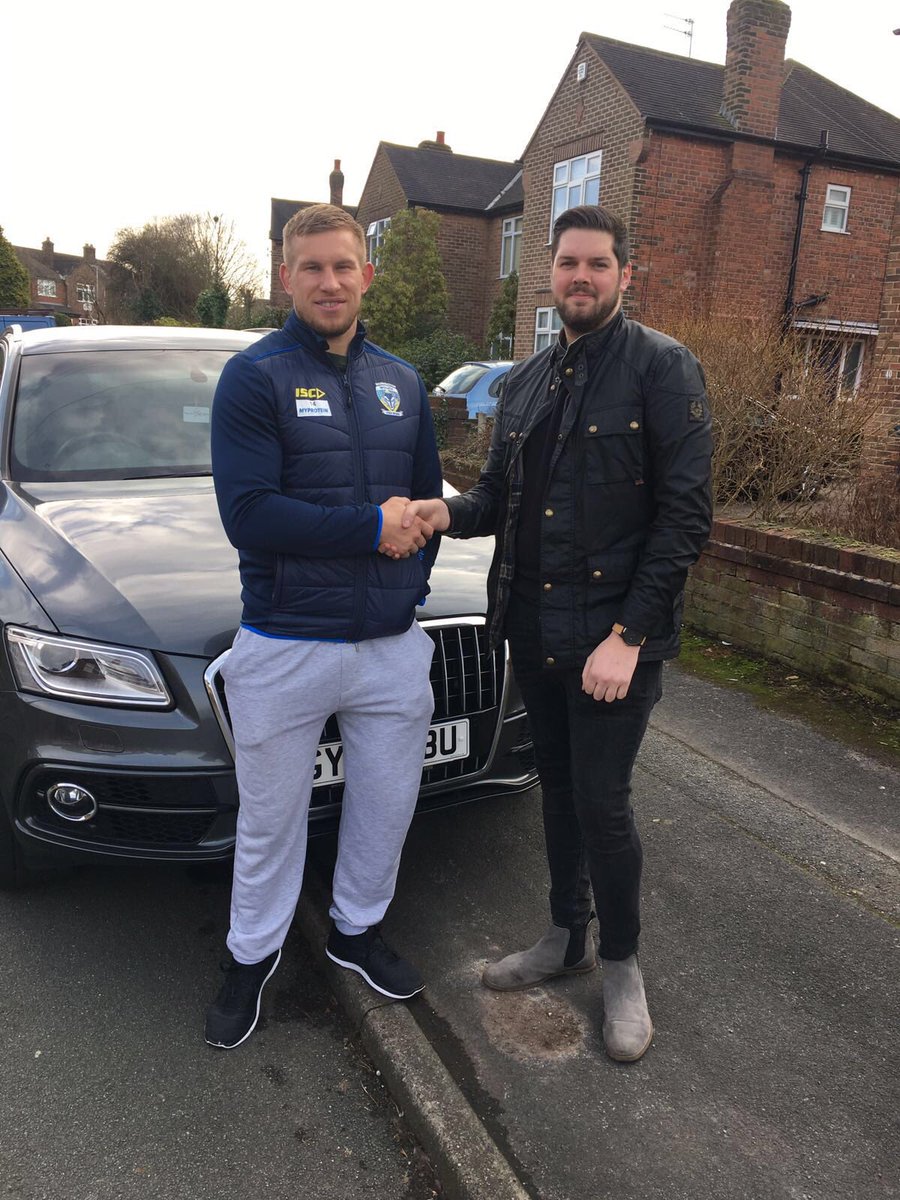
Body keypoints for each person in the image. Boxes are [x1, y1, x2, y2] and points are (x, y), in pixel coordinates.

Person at [396, 205, 713, 1062]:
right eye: (568, 263)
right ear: (551, 271)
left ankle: (621, 966)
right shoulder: (527, 380)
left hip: (611, 640)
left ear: (624, 274)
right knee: (561, 793)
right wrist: (443, 512)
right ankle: (565, 935)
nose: (581, 276)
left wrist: (631, 636)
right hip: (532, 626)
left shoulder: (662, 368)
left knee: (604, 805)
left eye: (597, 264)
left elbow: (684, 519)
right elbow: (498, 494)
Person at [206, 203, 441, 1050]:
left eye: (343, 266)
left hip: (388, 648)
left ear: (364, 273)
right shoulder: (252, 378)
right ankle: (249, 956)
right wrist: (370, 530)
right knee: (270, 821)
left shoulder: (403, 381)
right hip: (284, 642)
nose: (330, 282)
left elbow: (423, 508)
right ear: (285, 276)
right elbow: (250, 514)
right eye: (312, 267)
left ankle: (355, 930)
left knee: (386, 807)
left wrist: (406, 582)